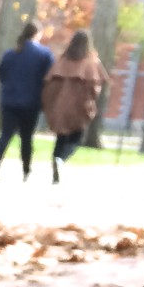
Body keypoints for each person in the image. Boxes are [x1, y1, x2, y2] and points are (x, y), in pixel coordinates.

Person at [40, 30, 110, 184]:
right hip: (80, 107)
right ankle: (61, 160)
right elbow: (96, 86)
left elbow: (49, 83)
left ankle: (56, 162)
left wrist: (50, 103)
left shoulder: (61, 62)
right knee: (77, 138)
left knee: (61, 137)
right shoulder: (91, 62)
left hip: (60, 105)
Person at [0, 22, 54, 181]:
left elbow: (2, 74)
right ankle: (26, 171)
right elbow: (49, 78)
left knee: (5, 135)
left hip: (9, 100)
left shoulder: (11, 54)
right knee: (26, 138)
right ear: (37, 34)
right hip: (31, 102)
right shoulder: (44, 54)